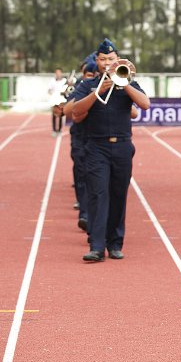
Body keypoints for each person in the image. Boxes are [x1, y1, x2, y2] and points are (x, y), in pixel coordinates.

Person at [71, 38, 150, 262]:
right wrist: (97, 92)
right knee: (98, 194)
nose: (107, 62)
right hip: (96, 147)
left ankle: (115, 243)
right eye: (103, 59)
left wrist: (125, 84)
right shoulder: (88, 85)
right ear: (97, 61)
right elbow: (76, 112)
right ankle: (97, 246)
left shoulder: (128, 82)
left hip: (123, 146)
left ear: (118, 61)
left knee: (118, 195)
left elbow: (145, 104)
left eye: (111, 59)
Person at [64, 58, 97, 233]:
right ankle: (84, 214)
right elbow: (67, 110)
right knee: (81, 176)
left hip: (96, 139)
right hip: (79, 137)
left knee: (95, 182)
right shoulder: (80, 89)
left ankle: (93, 216)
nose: (90, 77)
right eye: (87, 75)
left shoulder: (104, 88)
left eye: (93, 75)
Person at [48, 68, 68, 136]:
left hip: (61, 100)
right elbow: (49, 90)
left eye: (59, 73)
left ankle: (59, 130)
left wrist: (63, 93)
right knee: (54, 115)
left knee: (60, 115)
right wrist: (52, 95)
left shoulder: (64, 81)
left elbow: (66, 90)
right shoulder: (52, 81)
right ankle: (54, 130)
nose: (58, 74)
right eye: (57, 73)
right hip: (54, 100)